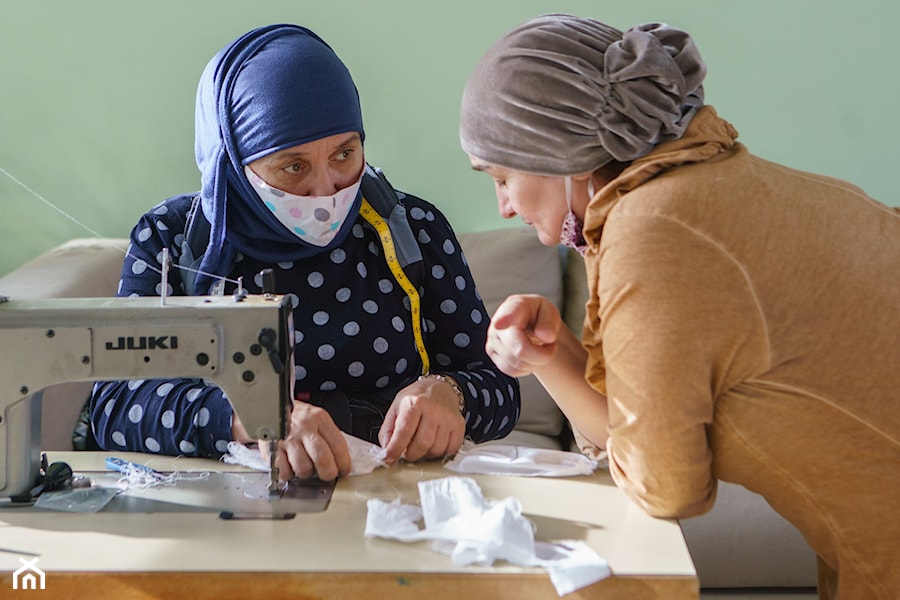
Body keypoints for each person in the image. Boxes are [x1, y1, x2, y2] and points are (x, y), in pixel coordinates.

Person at [459, 13, 899, 600]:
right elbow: (641, 439)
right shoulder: (706, 188)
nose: (505, 206)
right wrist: (555, 357)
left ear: (560, 152)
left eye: (502, 176)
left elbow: (666, 487)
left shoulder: (654, 229)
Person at [90, 23, 520, 483]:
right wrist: (255, 419)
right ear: (232, 161)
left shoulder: (413, 230)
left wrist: (450, 393)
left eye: (344, 155)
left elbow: (499, 386)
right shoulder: (171, 239)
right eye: (293, 166)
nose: (325, 190)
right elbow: (117, 405)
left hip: (392, 495)